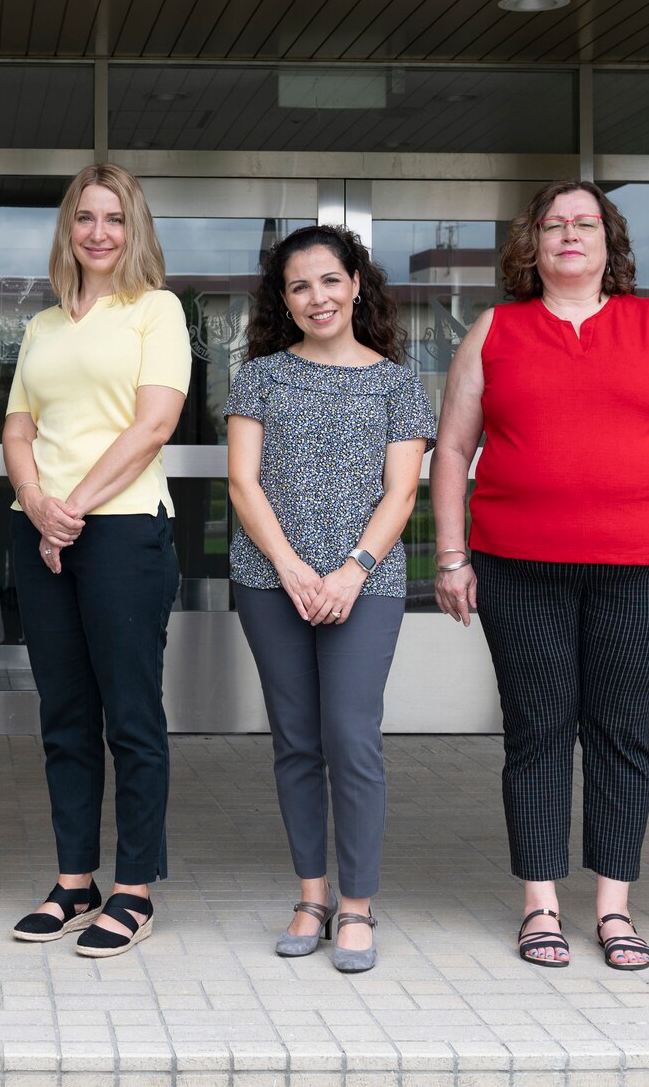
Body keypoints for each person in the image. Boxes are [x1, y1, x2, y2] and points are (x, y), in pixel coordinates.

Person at [431, 180, 649, 971]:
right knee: (536, 730)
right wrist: (452, 556)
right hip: (517, 566)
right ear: (533, 243)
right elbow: (454, 451)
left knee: (621, 731)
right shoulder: (494, 329)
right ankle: (539, 905)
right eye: (554, 224)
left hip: (639, 565)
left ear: (609, 241)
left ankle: (615, 908)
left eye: (584, 223)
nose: (569, 234)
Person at [225, 225, 434, 973]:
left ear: (356, 284)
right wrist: (288, 566)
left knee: (351, 735)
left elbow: (403, 489)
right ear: (283, 299)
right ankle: (312, 894)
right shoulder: (260, 376)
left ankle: (358, 905)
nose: (317, 297)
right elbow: (242, 481)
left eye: (329, 280)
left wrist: (349, 570)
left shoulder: (398, 382)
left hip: (364, 582)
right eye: (299, 286)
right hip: (268, 578)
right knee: (296, 739)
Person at [3, 163, 187, 959]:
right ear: (68, 230)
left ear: (134, 227)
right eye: (85, 217)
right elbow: (16, 428)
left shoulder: (157, 310)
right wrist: (40, 505)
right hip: (41, 529)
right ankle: (73, 879)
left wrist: (69, 508)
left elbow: (153, 426)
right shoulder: (43, 325)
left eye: (115, 217)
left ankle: (135, 888)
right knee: (64, 715)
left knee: (131, 716)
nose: (100, 231)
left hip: (121, 531)